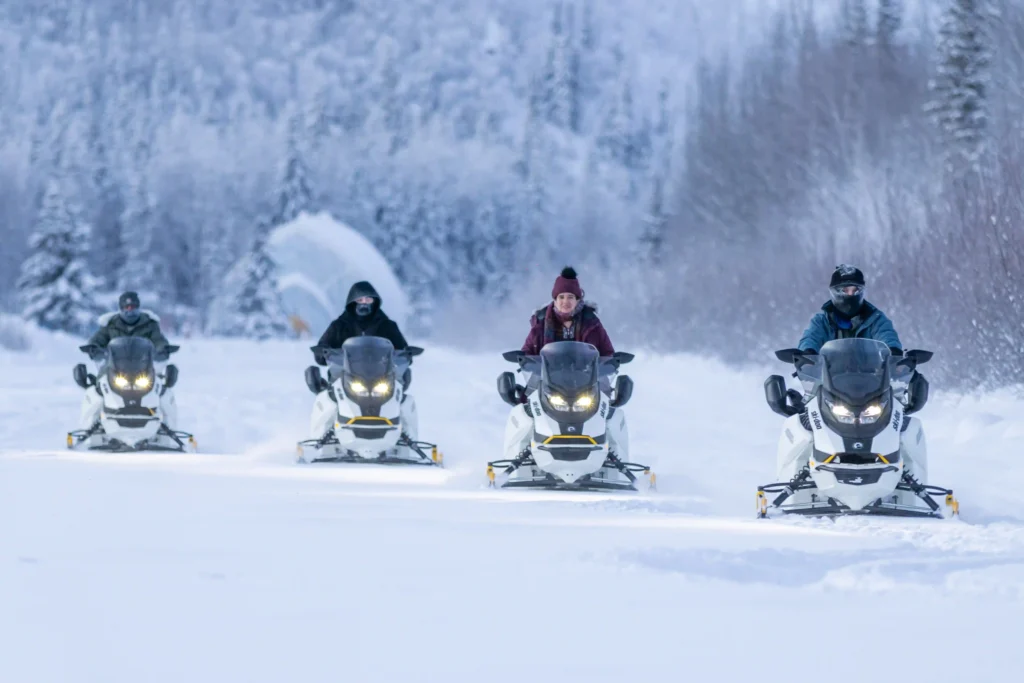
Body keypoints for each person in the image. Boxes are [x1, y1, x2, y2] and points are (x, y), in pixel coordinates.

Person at [798, 265, 902, 355]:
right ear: (834, 292)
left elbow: (886, 334)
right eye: (844, 290)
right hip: (828, 376)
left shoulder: (875, 319)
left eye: (855, 290)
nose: (850, 295)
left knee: (910, 376)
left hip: (872, 376)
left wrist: (893, 350)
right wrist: (808, 351)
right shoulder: (822, 321)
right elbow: (811, 337)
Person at [522, 266, 614, 356]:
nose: (565, 302)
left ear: (577, 300)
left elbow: (608, 353)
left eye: (570, 297)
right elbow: (527, 351)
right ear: (555, 300)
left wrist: (614, 360)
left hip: (585, 371)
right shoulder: (541, 322)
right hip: (548, 371)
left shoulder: (592, 322)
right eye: (561, 297)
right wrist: (522, 357)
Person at [313, 281, 407, 366]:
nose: (364, 303)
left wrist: (404, 354)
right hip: (345, 374)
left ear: (375, 302)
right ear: (352, 302)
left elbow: (403, 351)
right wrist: (324, 353)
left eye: (368, 300)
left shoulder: (388, 325)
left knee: (396, 382)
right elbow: (321, 350)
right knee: (332, 382)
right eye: (360, 300)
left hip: (381, 374)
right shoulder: (338, 326)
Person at [88, 291, 171, 355]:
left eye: (133, 307)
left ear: (138, 307)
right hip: (114, 367)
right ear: (121, 308)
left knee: (159, 376)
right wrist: (93, 347)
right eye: (127, 307)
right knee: (101, 377)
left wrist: (163, 348)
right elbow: (99, 338)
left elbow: (158, 339)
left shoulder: (149, 323)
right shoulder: (110, 324)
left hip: (144, 367)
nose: (130, 310)